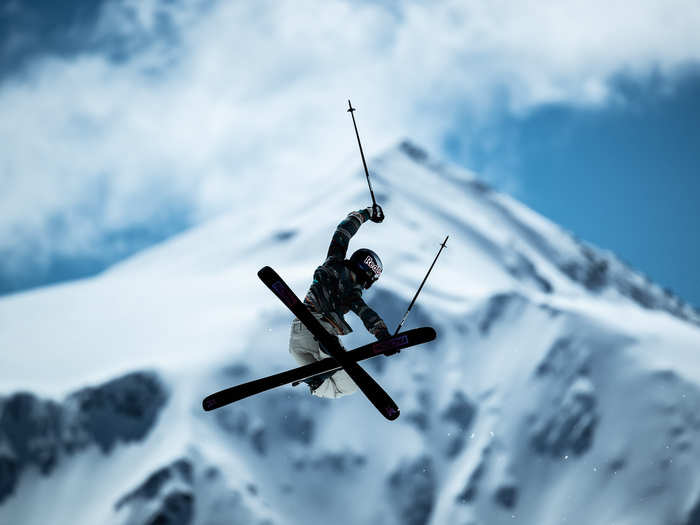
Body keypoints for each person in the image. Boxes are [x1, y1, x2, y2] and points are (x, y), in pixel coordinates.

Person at [289, 205, 390, 398]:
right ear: (370, 276)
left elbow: (343, 232)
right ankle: (325, 363)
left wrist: (367, 213)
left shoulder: (333, 261)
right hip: (322, 333)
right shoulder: (352, 291)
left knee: (328, 380)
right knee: (348, 387)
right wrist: (382, 333)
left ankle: (316, 377)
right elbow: (364, 311)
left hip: (298, 331)